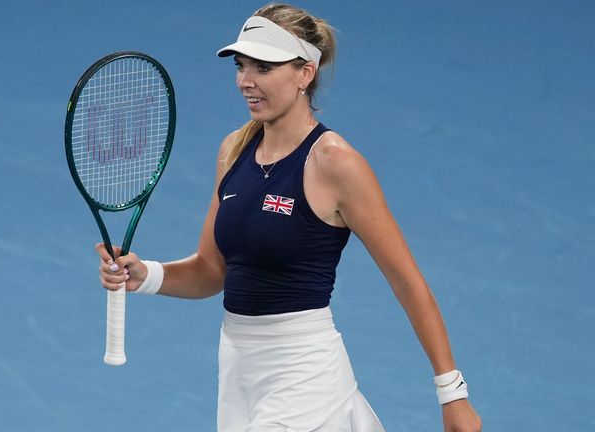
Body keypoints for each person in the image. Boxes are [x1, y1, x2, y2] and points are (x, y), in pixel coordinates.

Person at [97, 3, 482, 431]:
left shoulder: (335, 163)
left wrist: (453, 393)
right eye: (242, 65)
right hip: (238, 372)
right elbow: (212, 270)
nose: (246, 81)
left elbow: (406, 280)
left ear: (305, 73)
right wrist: (145, 275)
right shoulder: (233, 151)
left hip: (304, 373)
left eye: (264, 67)